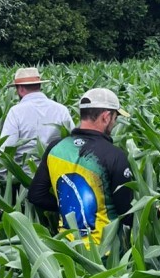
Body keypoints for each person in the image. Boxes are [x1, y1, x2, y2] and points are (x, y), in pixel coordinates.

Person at [28, 87, 133, 244]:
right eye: (115, 117)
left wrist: (70, 205)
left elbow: (36, 195)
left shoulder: (55, 148)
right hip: (105, 255)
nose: (115, 122)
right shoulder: (114, 156)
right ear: (106, 116)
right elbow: (127, 212)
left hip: (67, 248)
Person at [0, 66, 73, 165]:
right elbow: (72, 142)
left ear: (20, 89)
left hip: (25, 174)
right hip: (56, 171)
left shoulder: (15, 112)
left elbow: (7, 148)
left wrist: (2, 177)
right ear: (39, 86)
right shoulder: (61, 109)